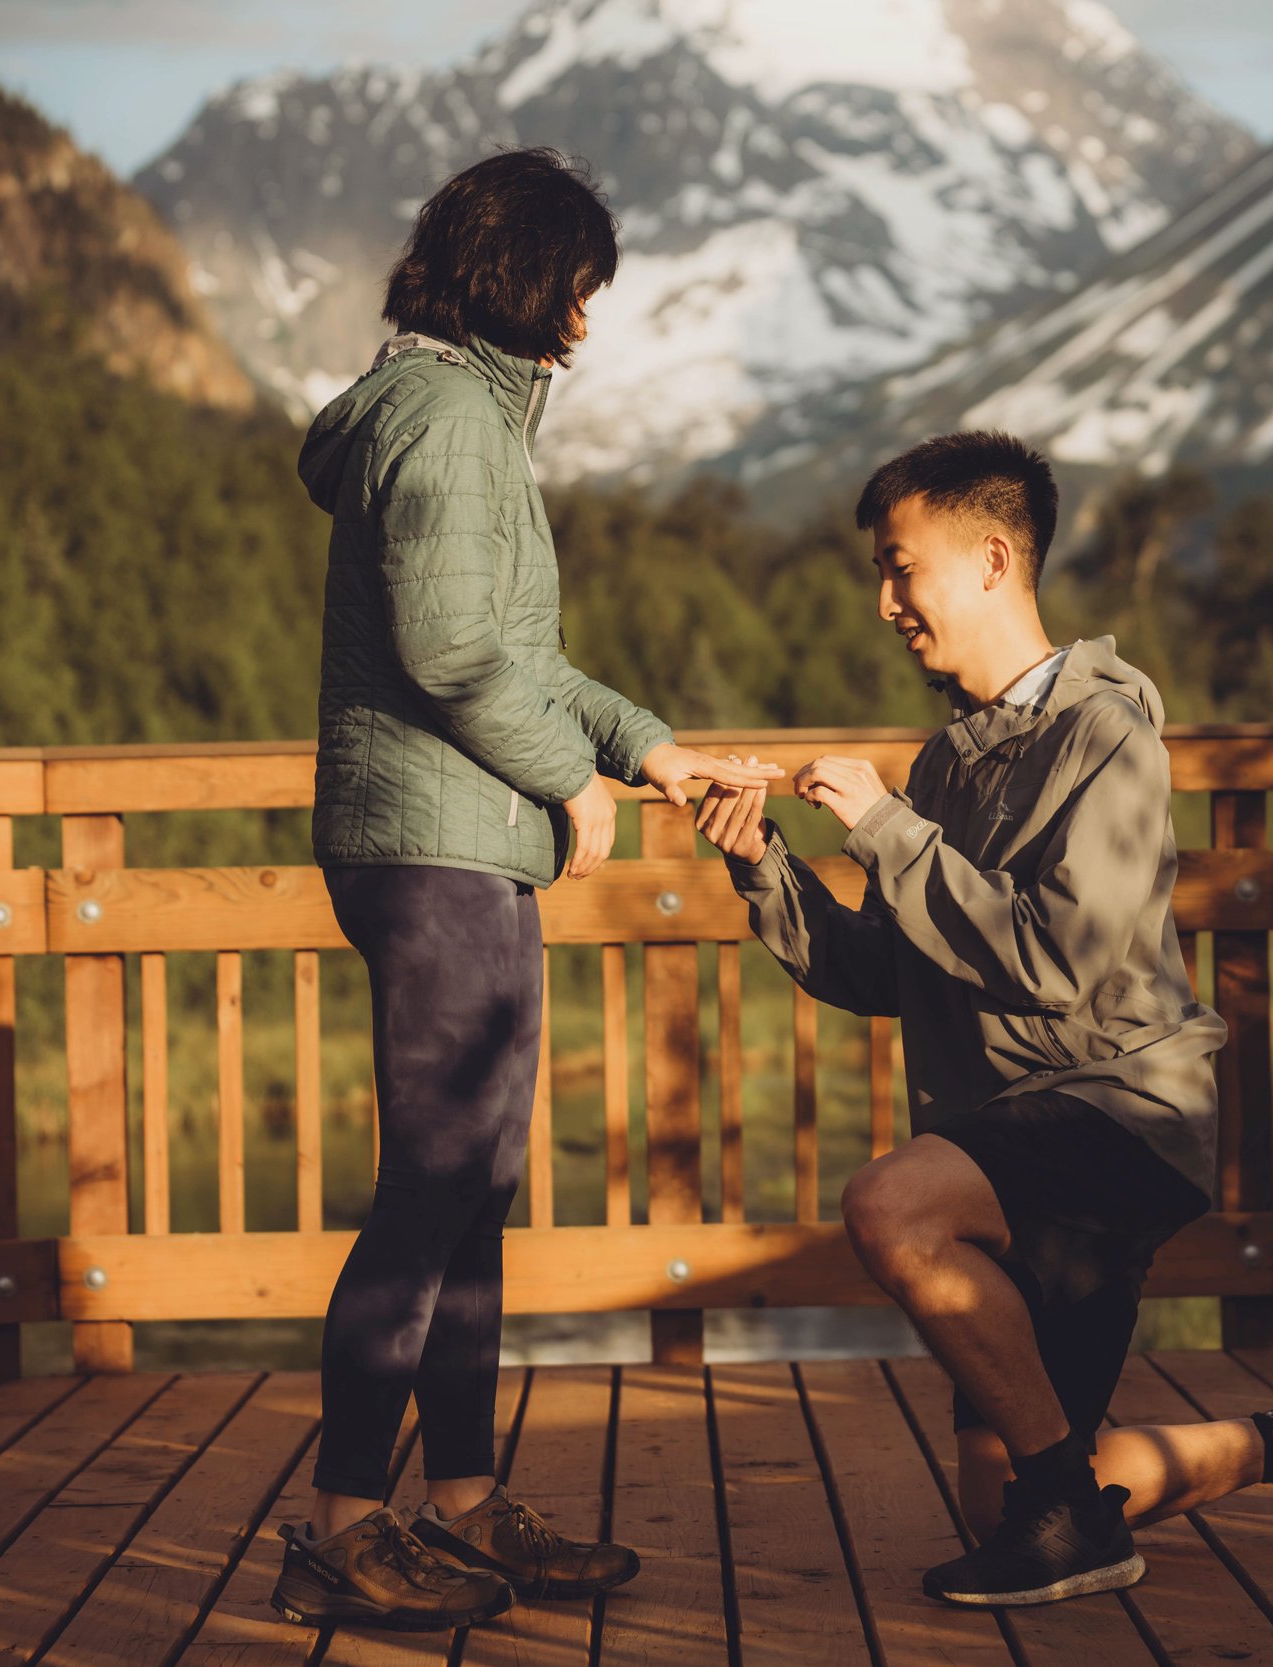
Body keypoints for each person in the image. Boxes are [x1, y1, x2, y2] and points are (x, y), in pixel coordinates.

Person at [695, 431, 1273, 1608]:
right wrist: (766, 865)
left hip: (1113, 1116)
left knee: (889, 1204)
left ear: (993, 557)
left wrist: (883, 827)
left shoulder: (1105, 732)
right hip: (1011, 1127)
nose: (885, 602)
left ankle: (1068, 1507)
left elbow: (1059, 957)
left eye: (900, 567)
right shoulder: (953, 758)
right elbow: (888, 966)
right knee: (998, 1499)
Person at [270, 148, 780, 1633]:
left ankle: (463, 1502)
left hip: (457, 836)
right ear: (528, 276)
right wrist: (569, 779)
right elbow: (452, 654)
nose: (587, 317)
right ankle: (342, 1524)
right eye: (581, 286)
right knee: (435, 1181)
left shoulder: (458, 413)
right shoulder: (446, 421)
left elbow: (519, 652)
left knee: (475, 1189)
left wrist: (652, 750)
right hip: (439, 838)